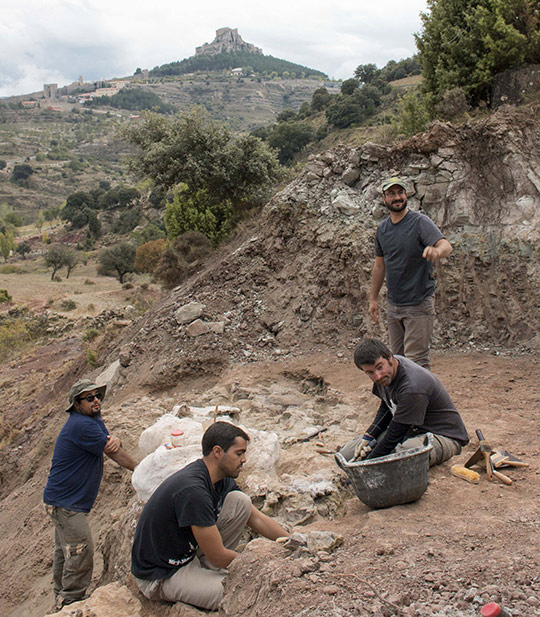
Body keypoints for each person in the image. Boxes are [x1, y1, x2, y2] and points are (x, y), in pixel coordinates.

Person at [131, 421, 290, 611]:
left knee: (240, 502)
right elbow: (218, 555)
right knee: (238, 592)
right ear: (217, 452)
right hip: (163, 574)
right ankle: (207, 577)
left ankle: (206, 573)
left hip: (188, 556)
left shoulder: (218, 478)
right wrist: (262, 565)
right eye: (239, 453)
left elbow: (255, 518)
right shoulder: (194, 491)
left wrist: (290, 541)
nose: (244, 459)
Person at [43, 379, 137, 611]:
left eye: (98, 396)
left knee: (65, 551)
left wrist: (116, 440)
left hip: (60, 500)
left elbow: (110, 444)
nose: (96, 401)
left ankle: (60, 597)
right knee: (81, 551)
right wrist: (141, 469)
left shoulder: (92, 421)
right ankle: (71, 601)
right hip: (66, 504)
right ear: (77, 404)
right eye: (89, 398)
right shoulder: (81, 425)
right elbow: (114, 452)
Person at [338, 338, 468, 466]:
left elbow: (395, 433)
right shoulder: (386, 374)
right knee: (347, 454)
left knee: (398, 460)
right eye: (370, 372)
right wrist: (369, 436)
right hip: (410, 431)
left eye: (379, 367)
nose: (377, 375)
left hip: (442, 436)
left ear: (390, 357)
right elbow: (388, 406)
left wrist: (368, 463)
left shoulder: (413, 386)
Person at [369, 176, 453, 370]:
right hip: (394, 305)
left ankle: (423, 400)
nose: (397, 197)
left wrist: (437, 251)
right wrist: (373, 299)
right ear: (384, 198)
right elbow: (379, 266)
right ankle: (403, 399)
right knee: (397, 360)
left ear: (406, 195)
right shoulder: (382, 230)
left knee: (417, 363)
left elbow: (446, 245)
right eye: (391, 194)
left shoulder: (419, 222)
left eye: (400, 193)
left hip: (417, 303)